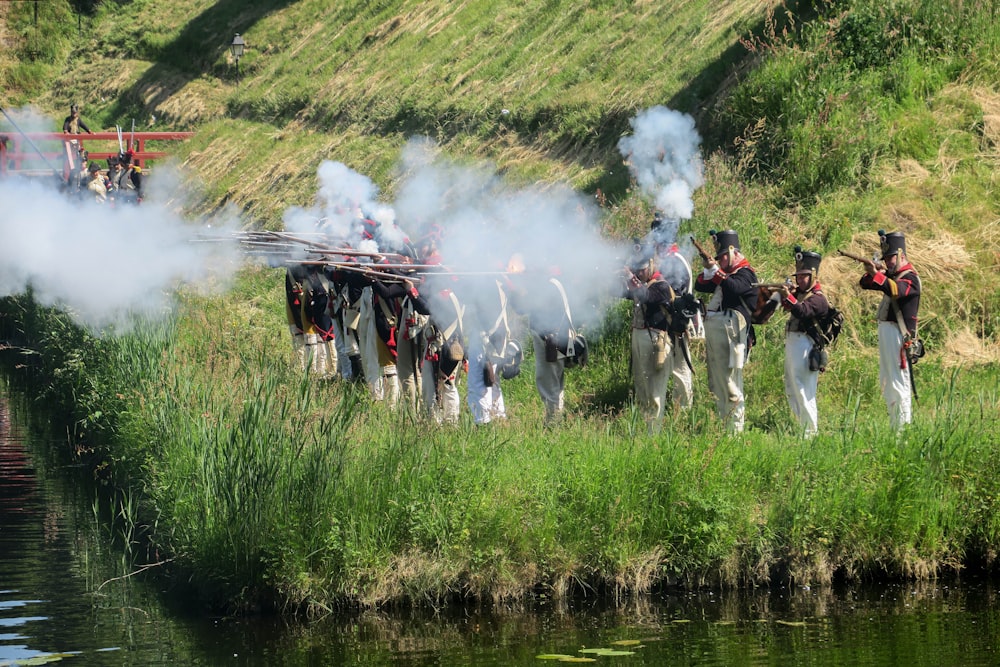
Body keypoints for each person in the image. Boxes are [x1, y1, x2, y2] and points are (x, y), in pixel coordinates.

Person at [758, 248, 830, 437]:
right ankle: (801, 428)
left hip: (805, 346)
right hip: (793, 344)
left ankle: (810, 433)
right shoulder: (799, 293)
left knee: (804, 390)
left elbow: (803, 311)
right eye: (798, 276)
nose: (800, 280)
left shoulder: (819, 299)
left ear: (813, 276)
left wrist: (788, 295)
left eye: (805, 276)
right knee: (792, 388)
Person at [694, 229, 758, 433]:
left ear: (733, 252)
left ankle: (735, 432)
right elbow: (700, 285)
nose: (720, 260)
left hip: (732, 333)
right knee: (720, 384)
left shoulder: (746, 273)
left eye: (722, 256)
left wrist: (717, 271)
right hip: (719, 331)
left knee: (731, 385)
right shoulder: (726, 274)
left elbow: (734, 288)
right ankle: (725, 428)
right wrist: (709, 269)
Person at [858, 230, 921, 430]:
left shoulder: (910, 277)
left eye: (891, 257)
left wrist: (877, 273)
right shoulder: (891, 275)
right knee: (888, 381)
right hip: (888, 334)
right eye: (885, 259)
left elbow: (895, 290)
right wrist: (873, 271)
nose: (888, 262)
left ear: (902, 254)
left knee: (899, 383)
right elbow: (864, 283)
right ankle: (896, 427)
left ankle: (902, 430)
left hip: (898, 335)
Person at [622, 245, 677, 434]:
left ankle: (654, 433)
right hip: (640, 339)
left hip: (655, 342)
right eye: (637, 269)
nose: (639, 272)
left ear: (652, 265)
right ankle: (647, 430)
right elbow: (619, 292)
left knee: (654, 391)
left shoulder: (661, 285)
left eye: (642, 268)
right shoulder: (643, 284)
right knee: (642, 388)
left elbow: (645, 296)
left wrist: (630, 277)